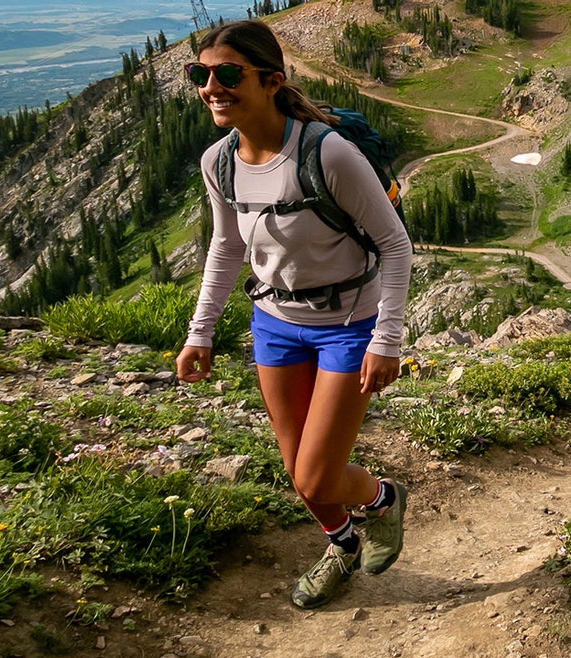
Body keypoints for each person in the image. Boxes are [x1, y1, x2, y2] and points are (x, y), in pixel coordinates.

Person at [173, 20, 412, 610]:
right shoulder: (218, 162)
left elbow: (395, 243)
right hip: (275, 324)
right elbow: (227, 246)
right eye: (200, 74)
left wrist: (387, 339)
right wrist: (199, 332)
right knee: (297, 469)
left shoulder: (328, 152)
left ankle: (382, 499)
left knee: (315, 476)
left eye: (228, 74)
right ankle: (344, 544)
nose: (211, 87)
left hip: (349, 326)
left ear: (272, 81)